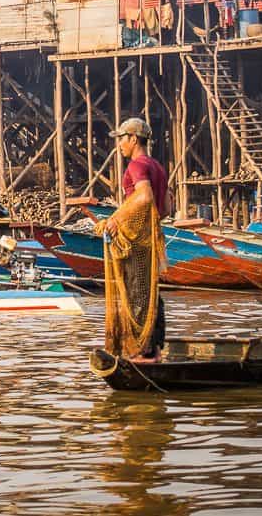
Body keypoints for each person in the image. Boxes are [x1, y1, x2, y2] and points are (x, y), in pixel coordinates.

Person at [94, 117, 170, 362]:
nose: (119, 145)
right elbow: (166, 207)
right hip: (152, 240)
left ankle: (140, 352)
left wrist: (115, 219)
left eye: (121, 139)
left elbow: (145, 196)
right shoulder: (157, 166)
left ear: (133, 139)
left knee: (136, 294)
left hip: (136, 241)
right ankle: (155, 349)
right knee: (150, 293)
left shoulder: (137, 165)